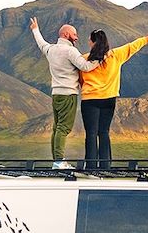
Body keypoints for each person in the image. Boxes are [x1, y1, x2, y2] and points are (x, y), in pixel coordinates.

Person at [80, 26, 148, 168]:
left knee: (91, 133)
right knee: (104, 132)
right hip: (108, 99)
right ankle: (105, 165)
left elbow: (80, 78)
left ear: (92, 42)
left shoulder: (84, 59)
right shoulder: (116, 55)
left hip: (90, 99)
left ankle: (91, 167)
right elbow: (134, 45)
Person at [30, 17, 99, 169]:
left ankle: (57, 160)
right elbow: (85, 67)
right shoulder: (70, 51)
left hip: (56, 95)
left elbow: (41, 43)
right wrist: (100, 59)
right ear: (67, 35)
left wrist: (35, 30)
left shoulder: (51, 49)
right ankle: (59, 162)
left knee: (57, 127)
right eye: (74, 34)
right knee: (63, 128)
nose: (77, 37)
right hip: (69, 95)